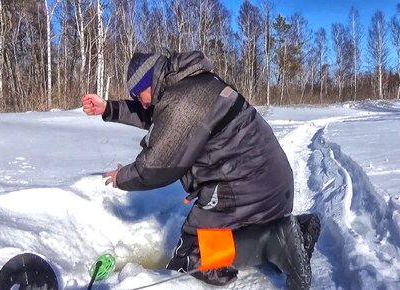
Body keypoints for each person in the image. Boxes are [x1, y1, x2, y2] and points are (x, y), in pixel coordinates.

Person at [81, 49, 320, 289]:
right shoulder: (194, 84)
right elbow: (158, 116)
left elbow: (157, 166)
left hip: (242, 186)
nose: (139, 100)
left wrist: (122, 177)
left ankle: (274, 242)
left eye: (137, 93)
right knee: (221, 237)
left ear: (149, 81)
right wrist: (108, 109)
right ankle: (296, 230)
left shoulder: (183, 101)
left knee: (192, 257)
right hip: (269, 187)